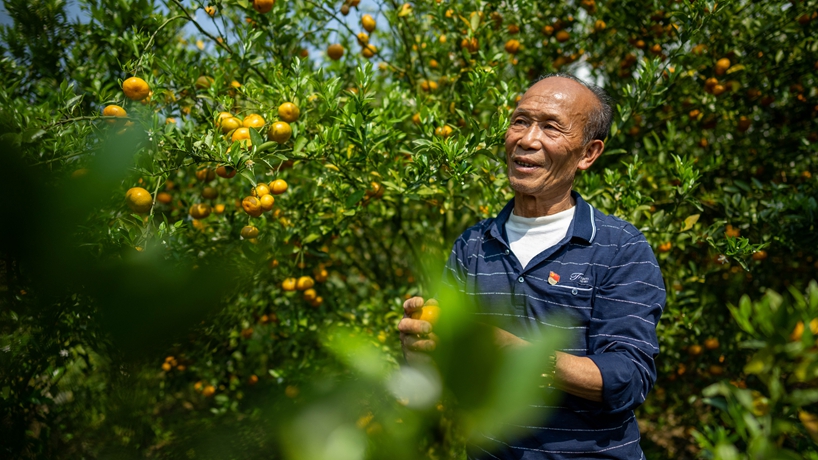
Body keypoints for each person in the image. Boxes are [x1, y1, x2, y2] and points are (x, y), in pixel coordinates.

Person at [398, 74, 665, 459]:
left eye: (551, 127)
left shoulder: (620, 248)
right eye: (520, 121)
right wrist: (424, 349)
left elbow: (628, 379)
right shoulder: (473, 246)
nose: (527, 139)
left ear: (588, 154)